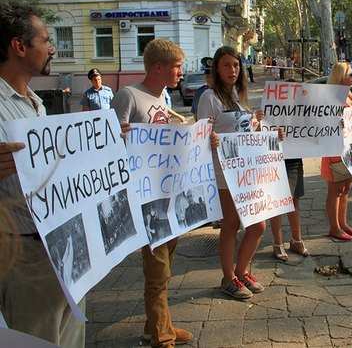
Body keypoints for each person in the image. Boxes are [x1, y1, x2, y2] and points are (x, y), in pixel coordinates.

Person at [0, 0, 85, 346]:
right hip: (24, 256)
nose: (52, 49)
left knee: (71, 337)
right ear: (19, 46)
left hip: (64, 250)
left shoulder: (35, 102)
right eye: (46, 40)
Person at [111, 39, 193, 347]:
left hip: (168, 195)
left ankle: (157, 324)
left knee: (165, 265)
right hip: (145, 200)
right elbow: (110, 142)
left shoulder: (163, 97)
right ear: (158, 67)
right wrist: (118, 135)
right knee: (158, 269)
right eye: (177, 67)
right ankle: (162, 336)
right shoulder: (128, 96)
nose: (181, 72)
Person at [197, 46, 266, 300]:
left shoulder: (238, 96)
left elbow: (245, 133)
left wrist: (261, 126)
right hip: (224, 173)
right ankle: (228, 278)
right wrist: (209, 138)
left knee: (258, 225)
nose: (232, 70)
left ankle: (241, 271)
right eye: (226, 65)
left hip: (246, 171)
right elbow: (200, 135)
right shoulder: (209, 97)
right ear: (217, 68)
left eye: (236, 65)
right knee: (231, 224)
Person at [322, 62, 352, 241]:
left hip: (350, 148)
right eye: (351, 74)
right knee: (335, 190)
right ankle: (334, 227)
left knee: (346, 189)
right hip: (336, 149)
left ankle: (342, 223)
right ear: (340, 77)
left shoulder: (348, 95)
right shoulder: (330, 98)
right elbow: (325, 122)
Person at [269, 158, 310, 261]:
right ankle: (278, 244)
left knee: (294, 199)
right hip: (274, 159)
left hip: (294, 157)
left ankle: (296, 241)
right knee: (277, 202)